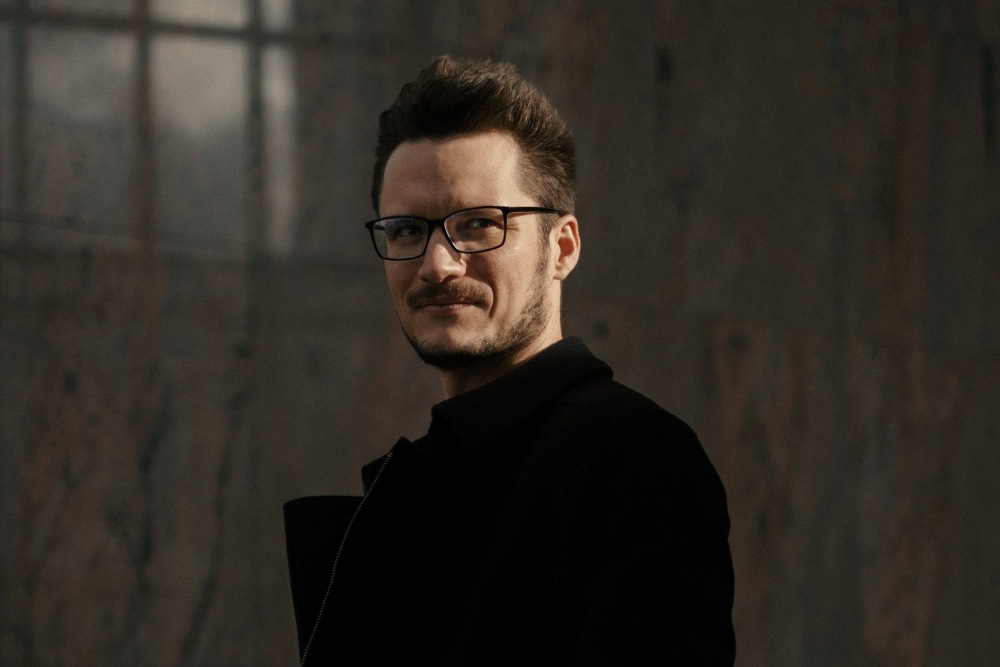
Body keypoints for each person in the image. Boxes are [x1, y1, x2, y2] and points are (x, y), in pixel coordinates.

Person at [284, 54, 735, 666]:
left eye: (477, 224)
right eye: (407, 231)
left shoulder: (632, 455)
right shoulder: (435, 477)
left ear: (562, 248)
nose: (437, 265)